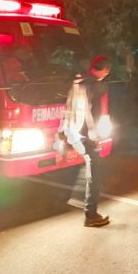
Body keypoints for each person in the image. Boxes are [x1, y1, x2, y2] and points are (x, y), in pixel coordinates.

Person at [56, 55, 112, 227]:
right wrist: (94, 136)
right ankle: (91, 215)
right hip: (85, 135)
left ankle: (61, 199)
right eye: (107, 71)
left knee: (76, 166)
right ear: (105, 70)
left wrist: (62, 131)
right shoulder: (94, 85)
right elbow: (87, 113)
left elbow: (68, 107)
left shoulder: (78, 81)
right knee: (94, 173)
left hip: (73, 132)